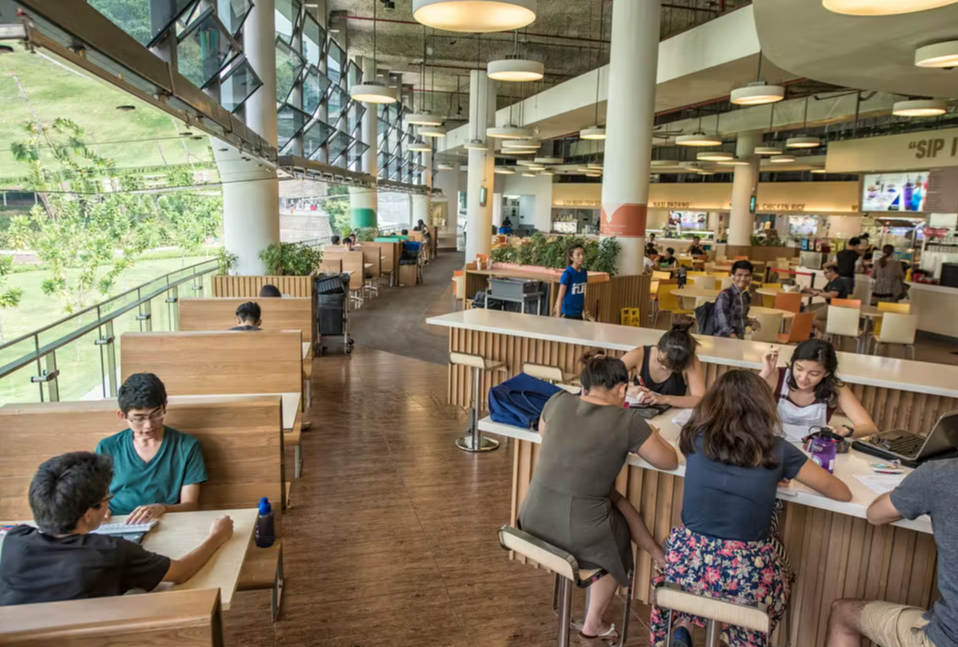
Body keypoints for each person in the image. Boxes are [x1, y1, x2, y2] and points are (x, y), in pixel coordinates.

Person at [649, 370, 852, 647]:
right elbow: (841, 492)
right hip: (747, 574)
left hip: (686, 564)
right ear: (763, 406)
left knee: (683, 552)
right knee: (781, 563)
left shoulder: (694, 437)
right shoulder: (777, 450)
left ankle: (683, 624)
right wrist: (775, 473)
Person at [519, 351, 679, 641]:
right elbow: (669, 461)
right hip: (576, 529)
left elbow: (544, 431)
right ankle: (593, 622)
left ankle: (657, 553)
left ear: (585, 385)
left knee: (614, 499)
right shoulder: (627, 421)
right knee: (616, 539)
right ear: (622, 389)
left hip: (530, 517)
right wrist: (650, 434)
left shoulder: (558, 400)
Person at [0, 451, 232, 606]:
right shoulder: (110, 551)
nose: (108, 504)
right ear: (88, 514)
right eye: (106, 499)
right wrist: (217, 536)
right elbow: (180, 573)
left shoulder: (14, 541)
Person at [826, 459, 958, 647]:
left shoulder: (941, 474)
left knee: (843, 613)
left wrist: (909, 488)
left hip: (948, 638)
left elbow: (875, 514)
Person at [95, 373, 208, 524]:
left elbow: (190, 506)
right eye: (139, 418)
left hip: (165, 521)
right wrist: (99, 510)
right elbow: (96, 499)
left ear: (165, 405)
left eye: (156, 414)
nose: (149, 425)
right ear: (122, 415)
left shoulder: (187, 446)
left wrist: (163, 508)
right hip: (117, 522)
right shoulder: (107, 447)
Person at [759, 339, 878, 443]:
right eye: (799, 368)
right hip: (773, 445)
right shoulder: (776, 376)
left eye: (814, 374)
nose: (803, 377)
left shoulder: (836, 388)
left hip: (815, 449)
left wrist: (845, 430)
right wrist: (765, 372)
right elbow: (746, 407)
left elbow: (870, 428)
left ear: (827, 373)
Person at [620, 317, 706, 409]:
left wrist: (665, 399)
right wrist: (627, 389)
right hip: (638, 412)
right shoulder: (639, 354)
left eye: (672, 367)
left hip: (670, 415)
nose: (664, 368)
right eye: (661, 361)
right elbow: (608, 376)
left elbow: (700, 399)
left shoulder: (689, 360)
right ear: (658, 346)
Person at [712, 260, 760, 339]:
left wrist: (751, 322)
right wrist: (735, 339)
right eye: (739, 275)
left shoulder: (746, 296)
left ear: (750, 278)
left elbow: (740, 318)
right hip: (722, 340)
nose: (743, 278)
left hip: (738, 339)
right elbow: (723, 323)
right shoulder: (725, 295)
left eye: (747, 275)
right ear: (732, 276)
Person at [804, 263, 852, 327]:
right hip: (828, 304)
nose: (824, 275)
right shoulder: (831, 281)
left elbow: (832, 295)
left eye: (825, 273)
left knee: (810, 316)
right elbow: (824, 291)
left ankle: (825, 330)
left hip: (835, 306)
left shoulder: (838, 281)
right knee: (808, 308)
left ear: (832, 271)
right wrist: (812, 290)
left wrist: (817, 293)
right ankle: (811, 329)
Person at [553, 243, 590, 320]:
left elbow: (582, 294)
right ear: (571, 257)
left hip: (579, 314)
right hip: (567, 315)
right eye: (578, 255)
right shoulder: (567, 274)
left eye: (582, 254)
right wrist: (558, 319)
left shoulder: (584, 273)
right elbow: (559, 299)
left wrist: (586, 311)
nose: (581, 257)